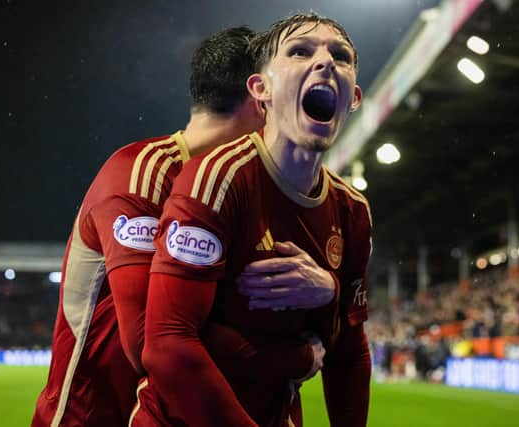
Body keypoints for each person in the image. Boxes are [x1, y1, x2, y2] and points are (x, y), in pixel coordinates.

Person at [32, 27, 334, 427]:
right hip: (97, 417)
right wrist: (295, 358)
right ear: (259, 99)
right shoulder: (142, 175)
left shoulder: (259, 188)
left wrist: (328, 288)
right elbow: (151, 342)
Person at [133, 13, 371, 427]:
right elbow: (168, 345)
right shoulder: (217, 179)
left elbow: (349, 349)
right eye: (300, 51)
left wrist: (330, 292)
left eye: (341, 56)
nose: (326, 62)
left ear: (353, 98)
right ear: (261, 90)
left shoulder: (353, 211)